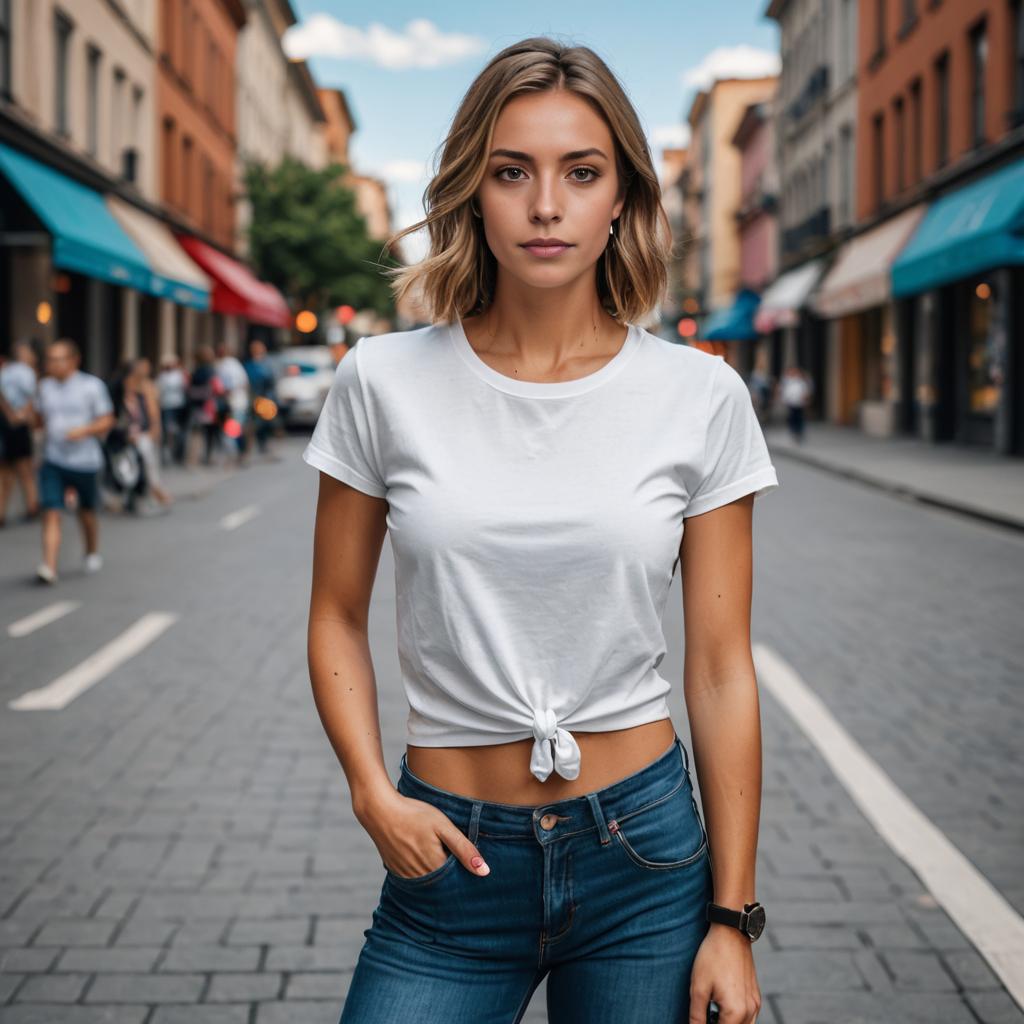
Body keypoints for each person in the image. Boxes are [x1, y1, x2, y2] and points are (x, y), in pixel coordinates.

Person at [304, 38, 777, 1024]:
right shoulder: (380, 379)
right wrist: (368, 791)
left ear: (622, 200)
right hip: (447, 859)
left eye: (582, 172)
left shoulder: (698, 394)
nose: (546, 204)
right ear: (473, 193)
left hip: (644, 856)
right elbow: (335, 614)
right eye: (511, 172)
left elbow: (723, 668)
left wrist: (729, 916)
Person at [31, 338, 115, 583]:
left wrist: (84, 430)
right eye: (50, 360)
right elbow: (38, 419)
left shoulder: (91, 386)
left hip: (85, 461)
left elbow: (107, 418)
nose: (53, 365)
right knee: (51, 511)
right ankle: (49, 565)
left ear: (74, 361)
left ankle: (91, 551)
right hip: (53, 459)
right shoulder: (44, 387)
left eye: (59, 359)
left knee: (86, 512)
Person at [0, 338, 41, 526]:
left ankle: (1, 511)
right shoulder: (27, 372)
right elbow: (31, 398)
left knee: (5, 470)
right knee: (25, 468)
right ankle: (32, 506)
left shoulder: (5, 370)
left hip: (4, 423)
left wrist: (8, 414)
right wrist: (21, 416)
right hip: (19, 425)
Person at [122, 357, 173, 509]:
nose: (145, 370)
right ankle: (144, 491)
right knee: (133, 464)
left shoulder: (149, 386)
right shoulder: (127, 385)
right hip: (130, 433)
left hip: (145, 432)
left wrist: (155, 429)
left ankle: (154, 488)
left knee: (150, 461)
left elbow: (153, 411)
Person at [187, 346, 225, 466]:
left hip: (196, 404)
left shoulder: (195, 371)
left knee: (196, 431)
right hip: (208, 405)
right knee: (210, 432)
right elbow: (218, 388)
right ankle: (208, 456)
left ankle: (192, 458)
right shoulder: (211, 370)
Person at [214, 340, 250, 465]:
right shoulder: (235, 364)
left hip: (233, 404)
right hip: (238, 403)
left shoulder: (225, 366)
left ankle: (235, 456)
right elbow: (245, 382)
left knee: (231, 431)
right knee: (236, 430)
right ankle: (240, 454)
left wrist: (224, 394)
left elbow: (229, 386)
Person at [242, 338, 278, 458]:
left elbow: (271, 381)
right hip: (254, 398)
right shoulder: (250, 365)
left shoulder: (265, 364)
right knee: (254, 424)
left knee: (263, 424)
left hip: (263, 399)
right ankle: (248, 448)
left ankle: (262, 445)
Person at [157, 355, 190, 465]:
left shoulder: (180, 375)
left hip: (178, 405)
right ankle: (168, 453)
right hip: (167, 406)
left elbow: (186, 387)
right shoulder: (162, 376)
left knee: (176, 431)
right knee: (168, 430)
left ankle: (178, 453)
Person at [780, 365, 812, 444]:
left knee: (799, 418)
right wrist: (784, 400)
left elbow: (805, 391)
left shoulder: (801, 381)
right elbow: (785, 391)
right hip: (791, 403)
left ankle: (799, 432)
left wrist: (805, 399)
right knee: (792, 418)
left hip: (799, 403)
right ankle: (794, 432)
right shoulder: (788, 381)